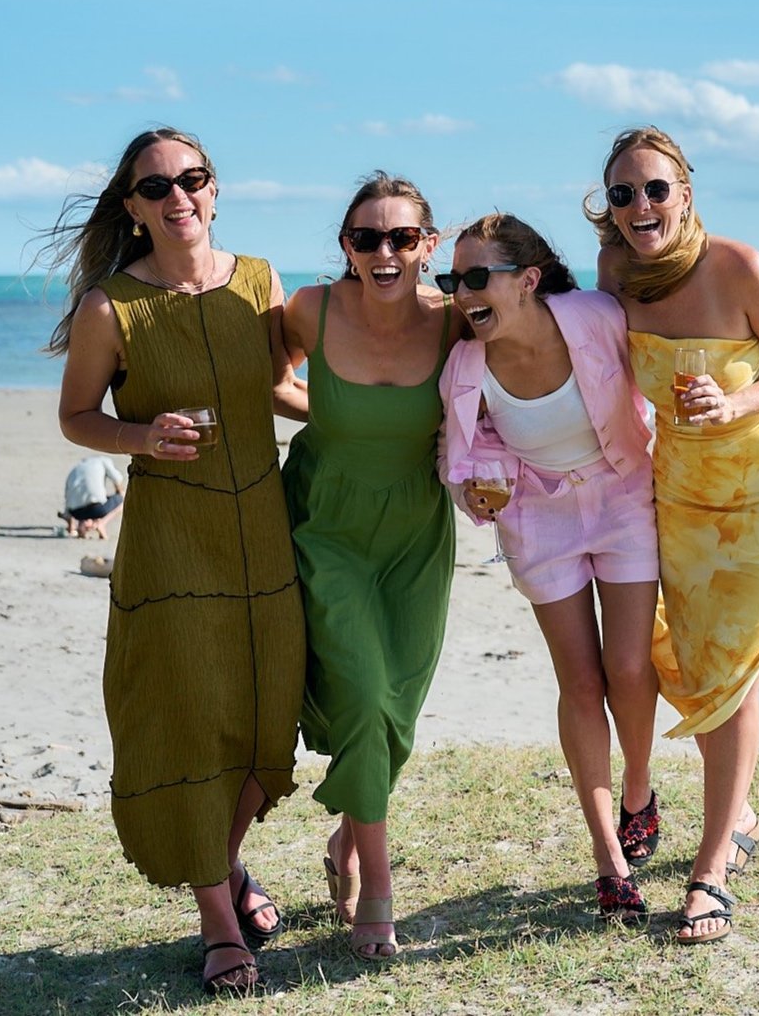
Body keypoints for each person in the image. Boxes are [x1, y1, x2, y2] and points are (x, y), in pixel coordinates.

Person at [42, 127, 307, 995]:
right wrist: (142, 438)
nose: (177, 196)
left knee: (261, 716)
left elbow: (277, 388)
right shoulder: (107, 307)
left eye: (191, 179)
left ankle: (226, 865)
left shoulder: (262, 283)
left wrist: (383, 420)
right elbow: (78, 418)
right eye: (156, 187)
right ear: (133, 207)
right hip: (169, 543)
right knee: (189, 717)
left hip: (264, 532)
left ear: (216, 189)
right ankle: (217, 919)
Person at [587, 126, 759, 944]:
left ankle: (712, 866)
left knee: (731, 667)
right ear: (609, 208)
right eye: (623, 194)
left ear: (684, 191)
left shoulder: (738, 265)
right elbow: (594, 365)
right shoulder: (615, 274)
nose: (640, 205)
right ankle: (739, 812)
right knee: (682, 657)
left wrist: (735, 403)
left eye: (654, 188)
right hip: (677, 494)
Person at [436, 212, 661, 920]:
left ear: (528, 280)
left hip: (625, 495)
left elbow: (659, 365)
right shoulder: (465, 363)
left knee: (629, 668)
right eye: (452, 281)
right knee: (581, 679)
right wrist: (473, 486)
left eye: (478, 277)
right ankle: (608, 858)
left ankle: (639, 789)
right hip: (539, 518)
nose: (462, 293)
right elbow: (467, 449)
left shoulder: (595, 317)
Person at [279, 172, 456, 960]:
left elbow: (534, 369)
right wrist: (333, 411)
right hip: (327, 524)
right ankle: (378, 895)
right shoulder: (309, 309)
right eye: (365, 238)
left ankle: (349, 837)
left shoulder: (458, 322)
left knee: (395, 711)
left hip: (416, 532)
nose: (383, 252)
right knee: (357, 693)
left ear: (430, 245)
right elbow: (269, 376)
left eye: (401, 238)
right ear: (345, 247)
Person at [61, 453, 127, 538]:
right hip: (96, 509)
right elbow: (118, 479)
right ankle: (101, 523)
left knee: (86, 499)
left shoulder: (75, 469)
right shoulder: (103, 461)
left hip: (75, 512)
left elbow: (67, 496)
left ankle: (81, 527)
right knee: (123, 498)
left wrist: (71, 525)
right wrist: (119, 492)